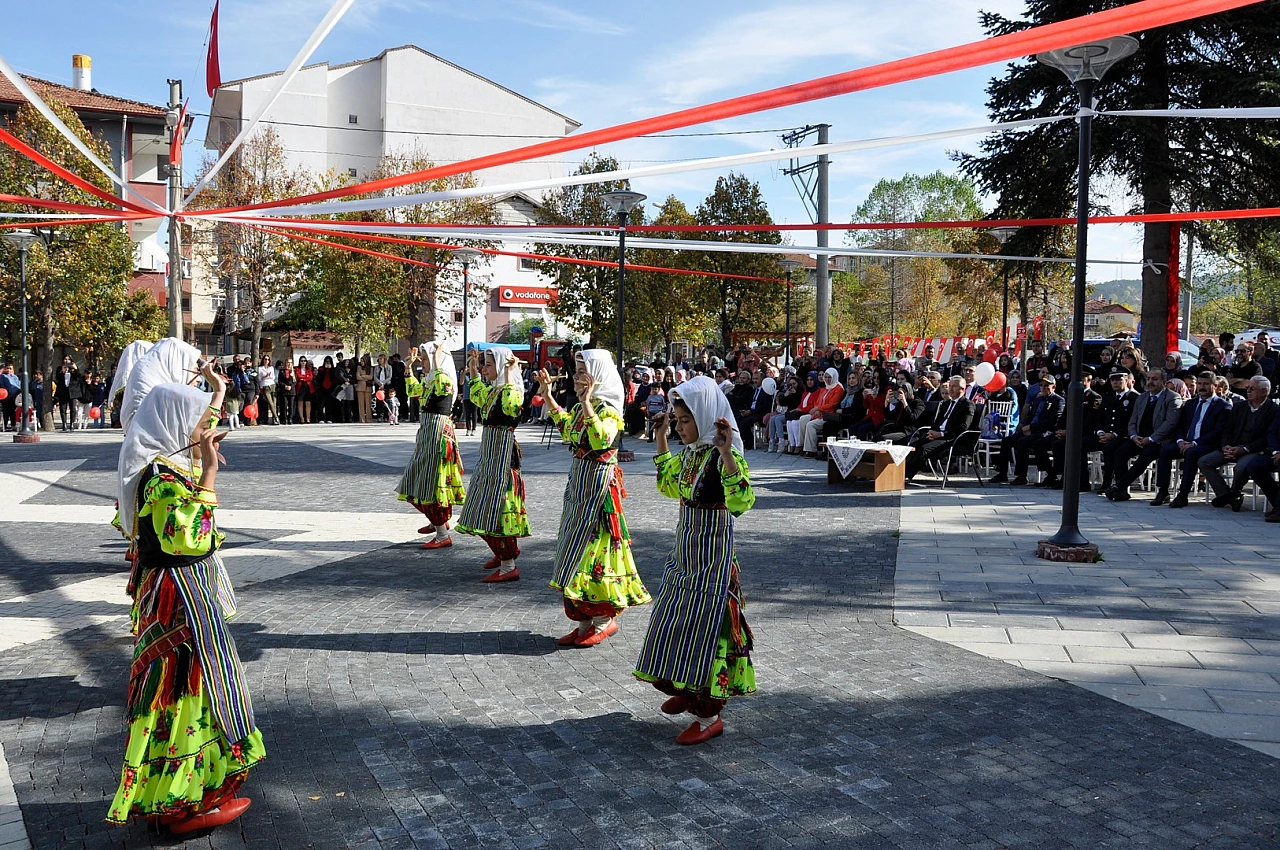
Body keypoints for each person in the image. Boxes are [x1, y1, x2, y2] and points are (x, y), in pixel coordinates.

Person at [108, 367, 263, 834]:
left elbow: (199, 420)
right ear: (176, 427)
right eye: (198, 427)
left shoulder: (164, 463)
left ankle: (189, 793)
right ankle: (181, 804)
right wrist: (211, 476)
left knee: (194, 691)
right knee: (185, 692)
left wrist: (217, 391)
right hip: (179, 598)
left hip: (180, 592)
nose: (205, 434)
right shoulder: (162, 479)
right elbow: (188, 540)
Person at [634, 375, 756, 745]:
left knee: (707, 628)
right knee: (673, 620)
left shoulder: (723, 456)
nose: (681, 427)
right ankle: (686, 687)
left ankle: (709, 714)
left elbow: (743, 502)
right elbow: (668, 483)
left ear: (704, 416)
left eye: (685, 421)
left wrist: (724, 453)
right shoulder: (689, 454)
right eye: (677, 420)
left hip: (713, 559)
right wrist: (661, 437)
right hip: (685, 551)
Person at [538, 350, 651, 648]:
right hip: (579, 485)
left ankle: (603, 620)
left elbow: (601, 439)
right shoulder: (580, 408)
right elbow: (567, 431)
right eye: (575, 371)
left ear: (597, 375)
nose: (576, 377)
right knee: (574, 547)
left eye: (581, 372)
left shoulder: (609, 409)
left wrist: (587, 402)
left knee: (595, 551)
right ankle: (584, 623)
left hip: (599, 492)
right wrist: (548, 396)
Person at [456, 346, 531, 581]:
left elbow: (509, 405)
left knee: (497, 508)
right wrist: (471, 365)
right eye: (484, 364)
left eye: (488, 365)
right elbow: (475, 387)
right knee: (480, 505)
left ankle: (508, 564)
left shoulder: (512, 391)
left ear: (501, 367)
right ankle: (503, 554)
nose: (483, 369)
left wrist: (510, 373)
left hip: (503, 458)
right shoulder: (492, 391)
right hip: (489, 455)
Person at [398, 342, 466, 549]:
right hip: (428, 433)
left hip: (438, 435)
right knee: (418, 479)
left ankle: (441, 532)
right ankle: (437, 521)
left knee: (432, 482)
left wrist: (436, 363)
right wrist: (408, 369)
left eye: (426, 359)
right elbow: (412, 391)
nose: (424, 363)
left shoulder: (443, 379)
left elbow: (442, 384)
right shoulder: (430, 381)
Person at [1106, 369, 1185, 502]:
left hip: (1160, 440)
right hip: (1139, 438)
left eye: (1155, 379)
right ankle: (1122, 491)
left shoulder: (1172, 398)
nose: (1150, 382)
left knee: (1146, 455)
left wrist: (1151, 438)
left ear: (1164, 382)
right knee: (1120, 452)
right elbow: (1132, 421)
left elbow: (1170, 424)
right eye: (1149, 379)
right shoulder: (1142, 397)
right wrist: (1133, 436)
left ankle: (1119, 486)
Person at [1200, 377, 1278, 511]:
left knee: (1241, 467)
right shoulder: (1239, 406)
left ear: (1264, 391)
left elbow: (1267, 437)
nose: (1248, 391)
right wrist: (1226, 446)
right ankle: (1227, 495)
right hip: (1233, 446)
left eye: (1252, 388)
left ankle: (1235, 491)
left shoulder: (1273, 410)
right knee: (1204, 461)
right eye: (1247, 388)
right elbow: (1228, 430)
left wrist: (1245, 449)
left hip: (1254, 449)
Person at [1165, 372, 1230, 508]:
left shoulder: (1223, 406)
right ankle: (1162, 491)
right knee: (1165, 450)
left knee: (1192, 453)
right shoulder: (1190, 404)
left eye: (1206, 384)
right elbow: (1181, 426)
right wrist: (1180, 441)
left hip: (1208, 444)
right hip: (1186, 442)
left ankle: (1183, 495)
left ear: (1215, 386)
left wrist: (1194, 443)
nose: (1202, 387)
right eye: (1200, 383)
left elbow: (1217, 432)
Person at [990, 375, 1065, 485]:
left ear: (1053, 387)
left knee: (1023, 442)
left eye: (1046, 386)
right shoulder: (1038, 399)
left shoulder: (1058, 400)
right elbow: (1031, 416)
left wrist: (1031, 428)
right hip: (1031, 429)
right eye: (1041, 385)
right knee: (1007, 441)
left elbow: (1051, 421)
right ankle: (1002, 473)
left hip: (1044, 432)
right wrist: (1025, 426)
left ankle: (1022, 476)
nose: (1043, 388)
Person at [906, 377, 974, 481]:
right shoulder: (946, 404)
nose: (950, 389)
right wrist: (932, 431)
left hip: (951, 438)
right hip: (937, 435)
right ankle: (900, 472)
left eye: (954, 386)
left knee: (924, 449)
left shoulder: (967, 404)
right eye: (950, 386)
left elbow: (963, 427)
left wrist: (941, 434)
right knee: (912, 447)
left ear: (963, 389)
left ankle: (906, 476)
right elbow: (936, 422)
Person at [1092, 370, 1141, 493]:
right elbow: (1099, 418)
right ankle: (1080, 481)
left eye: (1119, 380)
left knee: (1111, 448)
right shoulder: (1108, 397)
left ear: (1127, 380)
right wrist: (1100, 432)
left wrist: (1114, 434)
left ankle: (1109, 481)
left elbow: (1132, 422)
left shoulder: (1135, 398)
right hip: (1104, 435)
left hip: (1122, 436)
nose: (1115, 383)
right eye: (1113, 380)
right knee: (1080, 444)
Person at [295, 357, 314, 424]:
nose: (303, 362)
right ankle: (302, 418)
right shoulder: (297, 369)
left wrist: (304, 379)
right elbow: (299, 376)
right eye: (302, 361)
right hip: (300, 387)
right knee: (300, 402)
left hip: (308, 388)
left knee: (308, 403)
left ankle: (308, 418)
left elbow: (311, 377)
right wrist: (306, 377)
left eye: (304, 361)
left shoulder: (309, 369)